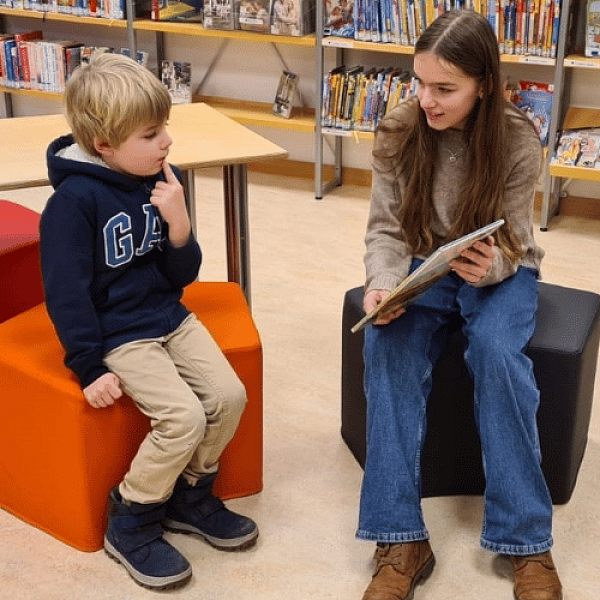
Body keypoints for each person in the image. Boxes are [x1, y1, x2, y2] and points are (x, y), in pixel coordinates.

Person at [356, 11, 562, 600]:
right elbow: (385, 229)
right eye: (419, 83)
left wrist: (491, 266)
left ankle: (527, 542)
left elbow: (517, 237)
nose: (426, 100)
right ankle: (400, 540)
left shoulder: (519, 137)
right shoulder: (399, 129)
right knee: (384, 341)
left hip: (499, 269)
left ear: (485, 85)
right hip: (423, 266)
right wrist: (383, 283)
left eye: (444, 88)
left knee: (498, 354)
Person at [39, 52, 258, 590]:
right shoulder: (72, 204)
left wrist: (179, 223)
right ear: (104, 145)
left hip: (168, 315)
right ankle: (131, 517)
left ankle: (189, 496)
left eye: (165, 129)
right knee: (181, 417)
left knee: (229, 397)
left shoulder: (161, 178)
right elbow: (65, 294)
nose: (166, 143)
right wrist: (88, 367)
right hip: (117, 332)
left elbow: (181, 275)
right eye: (151, 133)